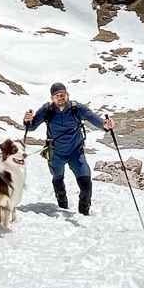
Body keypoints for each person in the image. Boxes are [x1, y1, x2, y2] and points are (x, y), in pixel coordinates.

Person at [23, 82, 115, 215]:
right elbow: (31, 127)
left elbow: (93, 118)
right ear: (52, 98)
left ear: (67, 95)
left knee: (86, 183)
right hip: (55, 153)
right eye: (56, 95)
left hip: (76, 153)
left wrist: (105, 125)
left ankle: (84, 213)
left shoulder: (76, 108)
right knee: (58, 180)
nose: (60, 97)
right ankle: (62, 207)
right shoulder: (47, 110)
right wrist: (27, 120)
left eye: (62, 95)